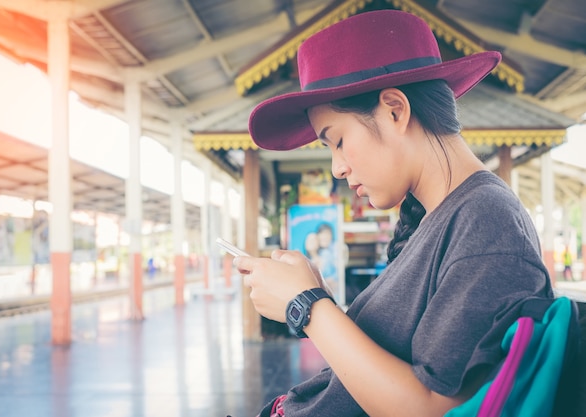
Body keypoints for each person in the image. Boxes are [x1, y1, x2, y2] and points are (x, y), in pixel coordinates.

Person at [234, 10, 554, 417]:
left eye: (338, 141)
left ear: (394, 111)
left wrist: (307, 307)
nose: (337, 168)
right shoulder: (439, 216)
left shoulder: (486, 221)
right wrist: (318, 299)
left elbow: (431, 407)